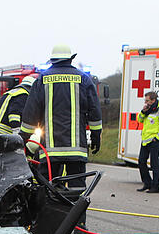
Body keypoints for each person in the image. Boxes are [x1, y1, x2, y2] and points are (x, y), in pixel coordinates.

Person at [20, 44, 102, 188]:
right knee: (76, 189)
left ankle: (51, 203)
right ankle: (75, 203)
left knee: (48, 189)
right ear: (70, 59)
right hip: (77, 150)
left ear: (52, 60)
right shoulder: (84, 79)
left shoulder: (42, 80)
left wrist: (23, 138)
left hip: (49, 151)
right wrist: (96, 136)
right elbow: (94, 111)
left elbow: (31, 114)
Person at [135, 91, 159, 193]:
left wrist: (157, 138)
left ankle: (155, 186)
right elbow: (139, 120)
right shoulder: (147, 110)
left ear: (153, 100)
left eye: (147, 101)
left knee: (154, 164)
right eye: (145, 100)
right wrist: (143, 111)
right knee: (141, 162)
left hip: (154, 141)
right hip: (145, 140)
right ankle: (147, 183)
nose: (146, 103)